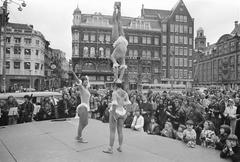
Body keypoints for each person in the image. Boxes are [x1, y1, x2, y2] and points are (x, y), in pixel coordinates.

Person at [103, 82, 131, 154]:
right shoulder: (125, 93)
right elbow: (128, 105)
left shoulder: (115, 93)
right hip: (122, 112)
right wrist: (126, 115)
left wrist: (113, 114)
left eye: (113, 85)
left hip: (115, 112)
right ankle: (120, 147)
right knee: (120, 131)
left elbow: (114, 104)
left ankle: (110, 148)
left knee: (112, 131)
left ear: (115, 85)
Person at [111, 2, 128, 83]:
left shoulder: (119, 57)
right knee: (118, 22)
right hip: (123, 43)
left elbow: (121, 66)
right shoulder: (121, 57)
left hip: (122, 44)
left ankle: (118, 79)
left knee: (116, 22)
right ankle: (118, 8)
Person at [73, 71, 91, 143]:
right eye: (85, 81)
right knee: (81, 123)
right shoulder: (81, 87)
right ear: (82, 82)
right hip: (82, 107)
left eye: (87, 80)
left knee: (85, 123)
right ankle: (79, 137)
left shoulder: (86, 89)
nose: (86, 81)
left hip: (85, 107)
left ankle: (78, 135)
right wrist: (73, 72)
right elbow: (77, 80)